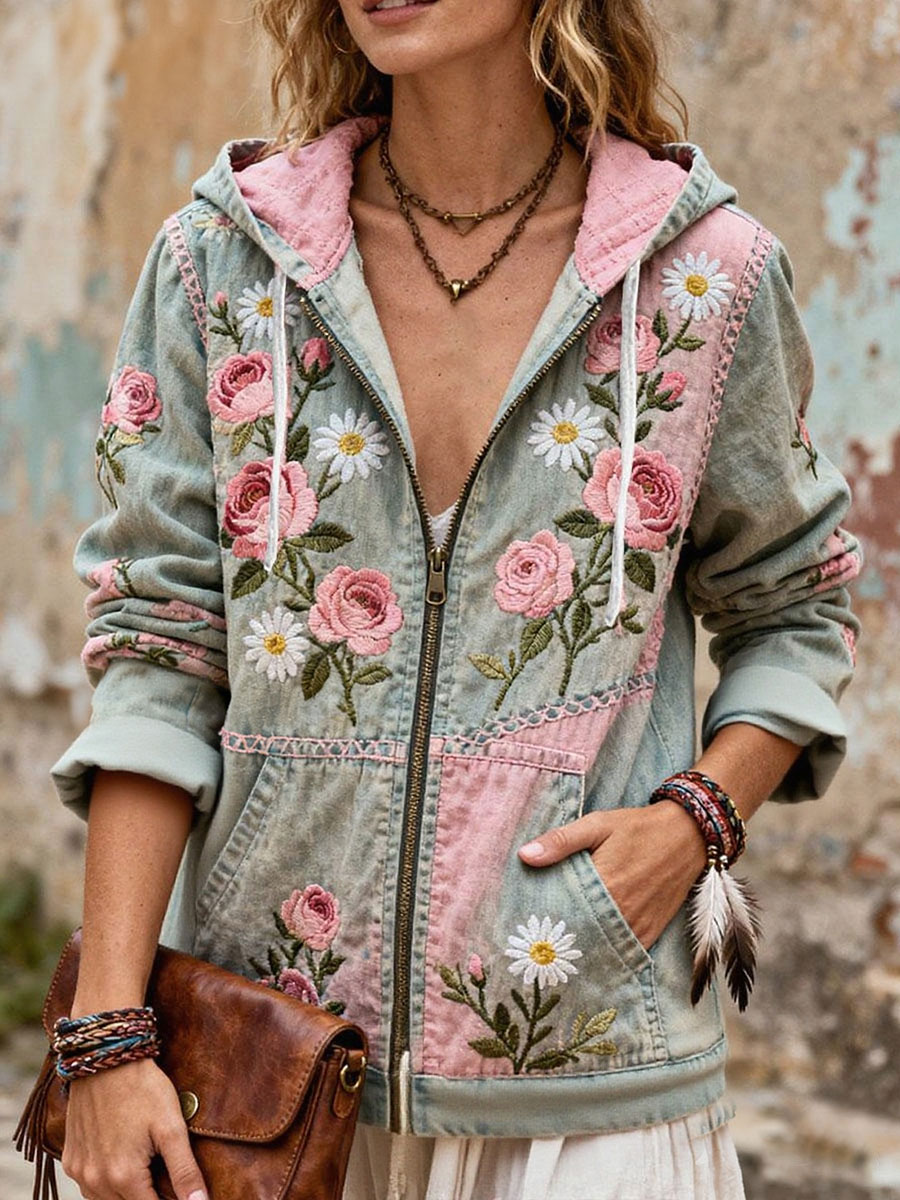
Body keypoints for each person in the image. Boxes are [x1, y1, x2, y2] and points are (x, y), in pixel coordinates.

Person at [50, 0, 862, 1197]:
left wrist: (693, 823)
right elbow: (158, 649)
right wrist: (108, 1037)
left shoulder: (706, 281)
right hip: (269, 1076)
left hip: (586, 1062)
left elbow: (795, 606)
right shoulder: (221, 264)